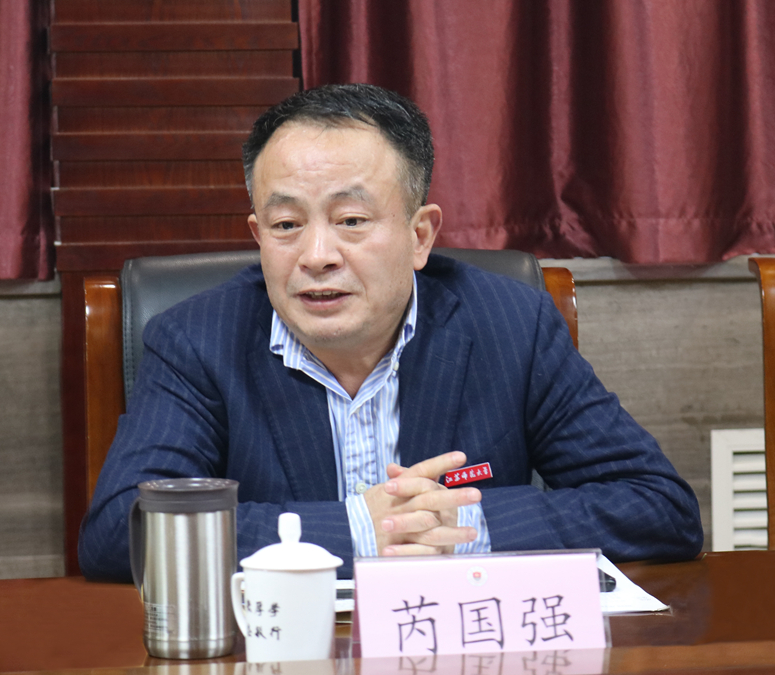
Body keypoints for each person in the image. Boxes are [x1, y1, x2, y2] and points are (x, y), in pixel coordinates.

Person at [79, 84, 703, 581]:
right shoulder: (196, 340)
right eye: (286, 225)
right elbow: (120, 530)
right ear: (257, 236)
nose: (316, 256)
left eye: (352, 220)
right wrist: (359, 530)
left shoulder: (511, 325)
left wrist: (461, 528)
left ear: (419, 235)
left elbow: (659, 508)